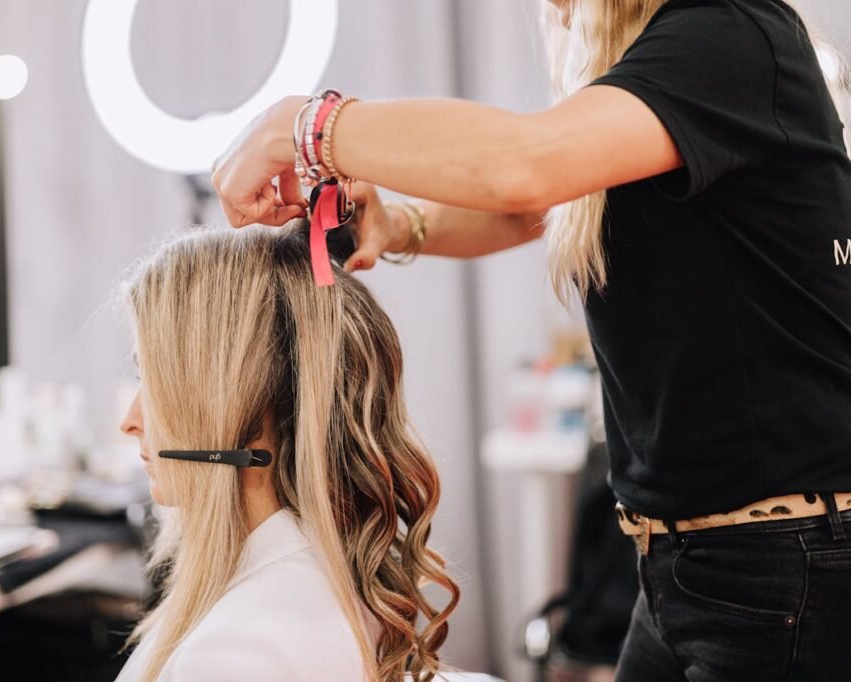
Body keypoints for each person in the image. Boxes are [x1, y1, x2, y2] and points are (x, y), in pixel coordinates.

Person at [210, 0, 851, 679]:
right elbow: (528, 208)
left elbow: (524, 165)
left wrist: (304, 126)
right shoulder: (669, 62)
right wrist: (397, 226)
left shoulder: (728, 30)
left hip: (786, 564)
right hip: (685, 567)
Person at [112, 225, 459, 682]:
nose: (130, 420)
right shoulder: (326, 563)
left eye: (153, 382)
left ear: (233, 410)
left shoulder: (234, 654)